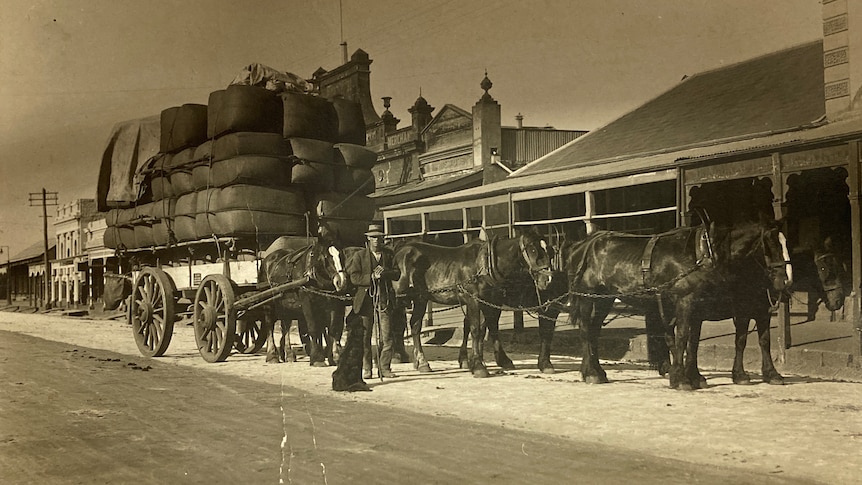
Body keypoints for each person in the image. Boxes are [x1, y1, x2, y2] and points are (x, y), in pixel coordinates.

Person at [345, 223, 401, 379]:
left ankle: (384, 368)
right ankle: (367, 368)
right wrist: (371, 277)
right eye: (373, 237)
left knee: (387, 336)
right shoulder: (359, 256)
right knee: (365, 337)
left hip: (384, 301)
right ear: (368, 239)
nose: (376, 240)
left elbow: (397, 273)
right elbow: (354, 277)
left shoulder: (389, 255)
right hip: (365, 302)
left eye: (379, 237)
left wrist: (385, 273)